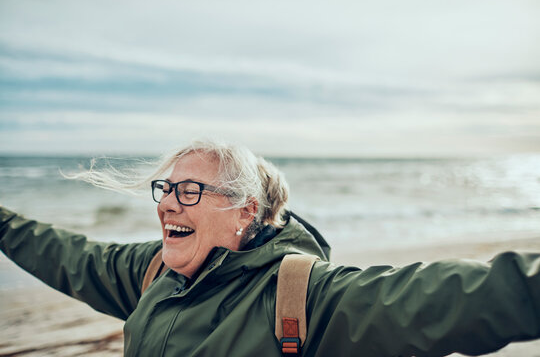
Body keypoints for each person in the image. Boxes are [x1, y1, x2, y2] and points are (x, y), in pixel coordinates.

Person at [1, 139, 539, 357]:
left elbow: (458, 296)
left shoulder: (303, 297)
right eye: (165, 189)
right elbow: (66, 254)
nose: (167, 204)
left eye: (190, 191)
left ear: (246, 211)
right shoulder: (151, 274)